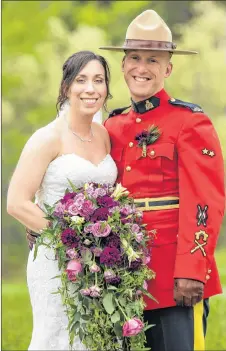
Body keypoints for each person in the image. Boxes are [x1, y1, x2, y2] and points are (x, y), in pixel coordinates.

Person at [99, 9, 225, 351]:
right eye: (135, 58)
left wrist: (192, 268)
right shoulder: (111, 126)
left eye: (153, 60)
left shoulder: (190, 122)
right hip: (119, 273)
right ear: (123, 65)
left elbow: (205, 202)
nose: (142, 67)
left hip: (173, 275)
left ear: (167, 68)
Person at [7, 50, 117, 350]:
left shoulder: (104, 135)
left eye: (99, 80)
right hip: (56, 261)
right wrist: (71, 240)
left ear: (107, 87)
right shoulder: (47, 138)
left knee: (96, 337)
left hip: (98, 262)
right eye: (81, 80)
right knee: (59, 336)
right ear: (67, 87)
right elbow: (16, 202)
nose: (91, 88)